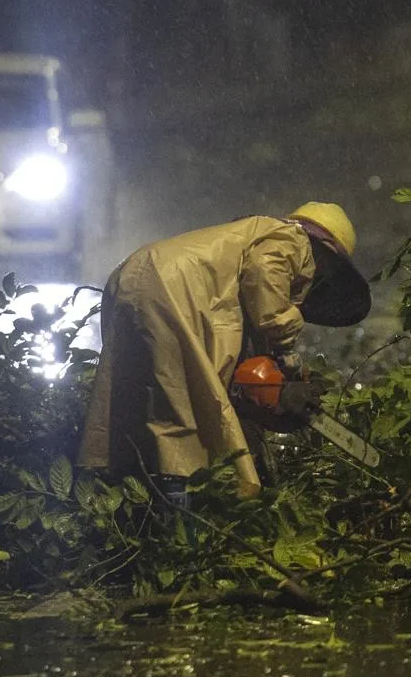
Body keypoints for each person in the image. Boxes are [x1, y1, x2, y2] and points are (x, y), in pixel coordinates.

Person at [76, 201, 371, 503]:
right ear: (326, 252)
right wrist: (288, 355)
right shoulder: (291, 239)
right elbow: (265, 278)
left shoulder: (246, 242)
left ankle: (117, 497)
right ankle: (178, 522)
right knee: (181, 416)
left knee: (139, 396)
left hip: (133, 274)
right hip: (172, 289)